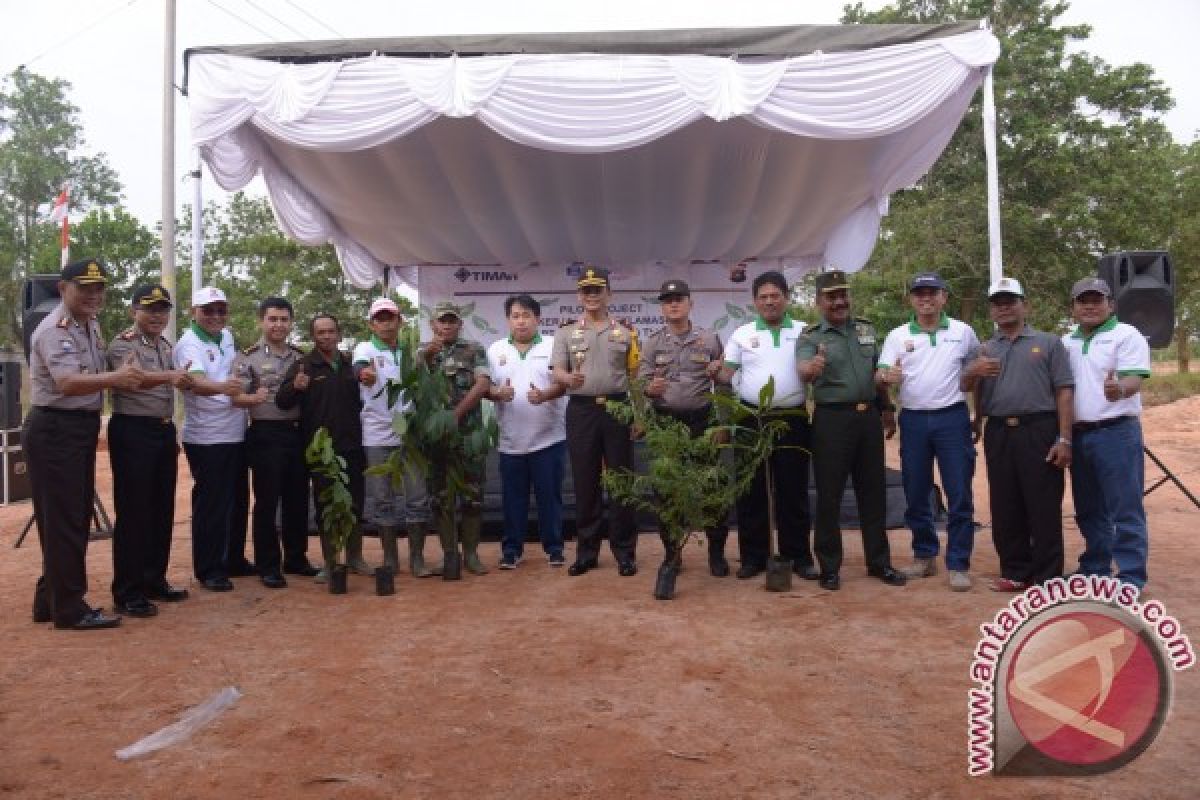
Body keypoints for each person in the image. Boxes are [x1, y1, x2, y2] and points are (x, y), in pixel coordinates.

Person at [25, 258, 144, 629]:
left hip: (76, 430)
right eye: (85, 287)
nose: (94, 295)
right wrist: (118, 378)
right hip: (56, 429)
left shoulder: (88, 324)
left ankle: (51, 598)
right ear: (63, 289)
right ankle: (70, 609)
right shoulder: (54, 330)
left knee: (68, 516)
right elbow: (68, 383)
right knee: (66, 520)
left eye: (99, 288)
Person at [961, 277, 1074, 591]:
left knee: (1043, 504)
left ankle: (1048, 576)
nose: (1004, 307)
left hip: (1039, 429)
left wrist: (1064, 438)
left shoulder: (1048, 343)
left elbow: (1064, 391)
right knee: (1005, 503)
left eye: (1010, 300)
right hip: (999, 430)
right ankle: (1016, 571)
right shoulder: (985, 348)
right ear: (991, 310)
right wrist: (974, 383)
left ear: (1025, 305)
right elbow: (968, 388)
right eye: (998, 302)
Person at [796, 269, 906, 591]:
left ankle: (879, 562)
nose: (840, 301)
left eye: (843, 294)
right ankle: (829, 566)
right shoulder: (811, 337)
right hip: (832, 421)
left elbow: (877, 373)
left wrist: (886, 408)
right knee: (829, 496)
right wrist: (809, 369)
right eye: (832, 297)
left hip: (868, 418)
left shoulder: (866, 330)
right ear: (819, 301)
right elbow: (802, 368)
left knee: (873, 492)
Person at [877, 272, 980, 591]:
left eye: (932, 293)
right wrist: (887, 376)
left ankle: (958, 562)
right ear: (911, 299)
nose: (926, 298)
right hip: (914, 420)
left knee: (959, 490)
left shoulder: (963, 333)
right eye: (919, 294)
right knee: (916, 489)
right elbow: (881, 373)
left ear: (944, 298)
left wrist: (978, 415)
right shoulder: (897, 336)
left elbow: (978, 372)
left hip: (953, 418)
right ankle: (924, 555)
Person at [717, 270, 814, 580]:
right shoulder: (742, 334)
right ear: (755, 302)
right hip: (750, 418)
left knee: (793, 490)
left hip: (792, 419)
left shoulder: (805, 331)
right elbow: (725, 375)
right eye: (763, 297)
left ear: (786, 298)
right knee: (751, 490)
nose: (770, 301)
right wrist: (715, 370)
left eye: (775, 296)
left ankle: (797, 556)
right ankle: (753, 558)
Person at [105, 284, 194, 619]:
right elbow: (132, 380)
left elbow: (167, 381)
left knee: (161, 509)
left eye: (162, 310)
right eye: (150, 309)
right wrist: (170, 376)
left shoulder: (165, 346)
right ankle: (127, 591)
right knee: (134, 512)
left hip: (161, 429)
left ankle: (154, 579)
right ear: (134, 312)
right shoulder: (121, 344)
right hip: (132, 431)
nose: (157, 316)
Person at [1062, 276, 1151, 589]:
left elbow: (1134, 380)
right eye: (1082, 301)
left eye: (1096, 300)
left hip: (1117, 433)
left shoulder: (1127, 335)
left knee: (1125, 508)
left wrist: (1120, 389)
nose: (1089, 306)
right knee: (1088, 508)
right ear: (1073, 307)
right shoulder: (1066, 342)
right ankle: (1095, 568)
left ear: (1110, 305)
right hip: (1079, 434)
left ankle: (1130, 577)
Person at [551, 266, 641, 577]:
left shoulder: (626, 332)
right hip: (581, 411)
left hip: (617, 409)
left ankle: (625, 552)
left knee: (621, 482)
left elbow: (635, 378)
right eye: (586, 291)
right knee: (585, 481)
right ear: (579, 296)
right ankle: (587, 552)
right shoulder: (565, 332)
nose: (591, 295)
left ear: (609, 294)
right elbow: (557, 371)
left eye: (597, 290)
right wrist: (567, 378)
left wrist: (638, 415)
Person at [639, 279, 730, 576]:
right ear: (662, 307)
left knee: (711, 488)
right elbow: (640, 385)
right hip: (667, 424)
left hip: (703, 422)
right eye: (667, 300)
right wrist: (649, 390)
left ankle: (716, 554)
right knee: (666, 491)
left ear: (691, 303)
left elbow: (724, 382)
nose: (673, 304)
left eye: (679, 299)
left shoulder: (709, 338)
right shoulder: (652, 342)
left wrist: (723, 423)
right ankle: (672, 555)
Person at [231, 297, 315, 589]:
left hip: (296, 434)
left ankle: (296, 558)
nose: (278, 325)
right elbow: (235, 396)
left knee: (297, 499)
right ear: (261, 321)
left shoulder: (301, 357)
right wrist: (251, 399)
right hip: (265, 435)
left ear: (291, 323)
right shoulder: (248, 357)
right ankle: (268, 565)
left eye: (284, 319)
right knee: (267, 501)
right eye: (273, 319)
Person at [276, 313, 365, 582]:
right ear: (313, 336)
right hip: (321, 450)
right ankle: (330, 562)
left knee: (355, 504)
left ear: (338, 333)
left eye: (330, 331)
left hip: (352, 445)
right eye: (320, 333)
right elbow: (282, 401)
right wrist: (295, 387)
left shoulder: (351, 364)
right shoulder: (303, 365)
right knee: (327, 505)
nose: (326, 336)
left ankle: (355, 557)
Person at [174, 286, 248, 592]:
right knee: (212, 505)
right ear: (194, 312)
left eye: (221, 310)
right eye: (208, 310)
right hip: (207, 437)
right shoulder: (188, 344)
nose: (215, 316)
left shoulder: (227, 337)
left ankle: (233, 558)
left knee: (238, 500)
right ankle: (208, 568)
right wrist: (229, 390)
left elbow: (234, 370)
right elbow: (196, 384)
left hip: (235, 432)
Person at [353, 297, 434, 577]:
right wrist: (364, 375)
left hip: (410, 437)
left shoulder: (410, 353)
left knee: (418, 497)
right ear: (372, 324)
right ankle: (390, 559)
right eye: (380, 318)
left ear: (400, 321)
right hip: (376, 435)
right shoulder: (365, 348)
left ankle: (417, 559)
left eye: (391, 318)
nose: (386, 323)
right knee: (382, 498)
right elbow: (360, 369)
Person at [486, 295, 568, 569]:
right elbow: (484, 388)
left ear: (538, 319)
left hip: (549, 438)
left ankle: (554, 548)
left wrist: (544, 395)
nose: (521, 321)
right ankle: (512, 550)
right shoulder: (495, 350)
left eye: (526, 315)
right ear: (508, 320)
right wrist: (497, 393)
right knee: (513, 501)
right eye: (515, 316)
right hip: (511, 441)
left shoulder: (553, 345)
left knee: (550, 498)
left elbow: (564, 383)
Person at [422, 301, 493, 576]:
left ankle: (472, 555)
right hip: (436, 440)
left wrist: (455, 415)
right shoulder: (420, 352)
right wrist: (426, 358)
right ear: (433, 325)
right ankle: (449, 555)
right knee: (441, 498)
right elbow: (413, 385)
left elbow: (483, 383)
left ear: (460, 324)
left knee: (473, 496)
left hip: (468, 436)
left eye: (452, 321)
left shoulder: (474, 350)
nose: (447, 325)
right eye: (442, 321)